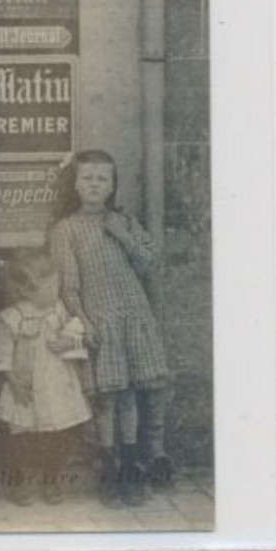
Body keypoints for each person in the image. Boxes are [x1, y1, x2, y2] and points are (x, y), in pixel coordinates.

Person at [48, 149, 172, 506]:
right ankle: (109, 470)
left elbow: (149, 264)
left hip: (133, 318)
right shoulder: (65, 229)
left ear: (112, 184)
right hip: (99, 320)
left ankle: (131, 468)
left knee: (131, 396)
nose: (94, 184)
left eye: (103, 178)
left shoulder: (125, 222)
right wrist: (84, 320)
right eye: (87, 177)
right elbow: (68, 285)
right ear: (74, 183)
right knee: (106, 399)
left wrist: (123, 235)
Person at [0, 251, 91, 506]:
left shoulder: (58, 309)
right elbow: (2, 354)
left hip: (57, 382)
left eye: (56, 285)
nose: (54, 292)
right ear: (26, 290)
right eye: (48, 288)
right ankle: (16, 483)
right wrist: (13, 382)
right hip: (25, 387)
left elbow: (75, 328)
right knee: (20, 437)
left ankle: (52, 481)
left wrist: (69, 340)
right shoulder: (12, 317)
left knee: (58, 435)